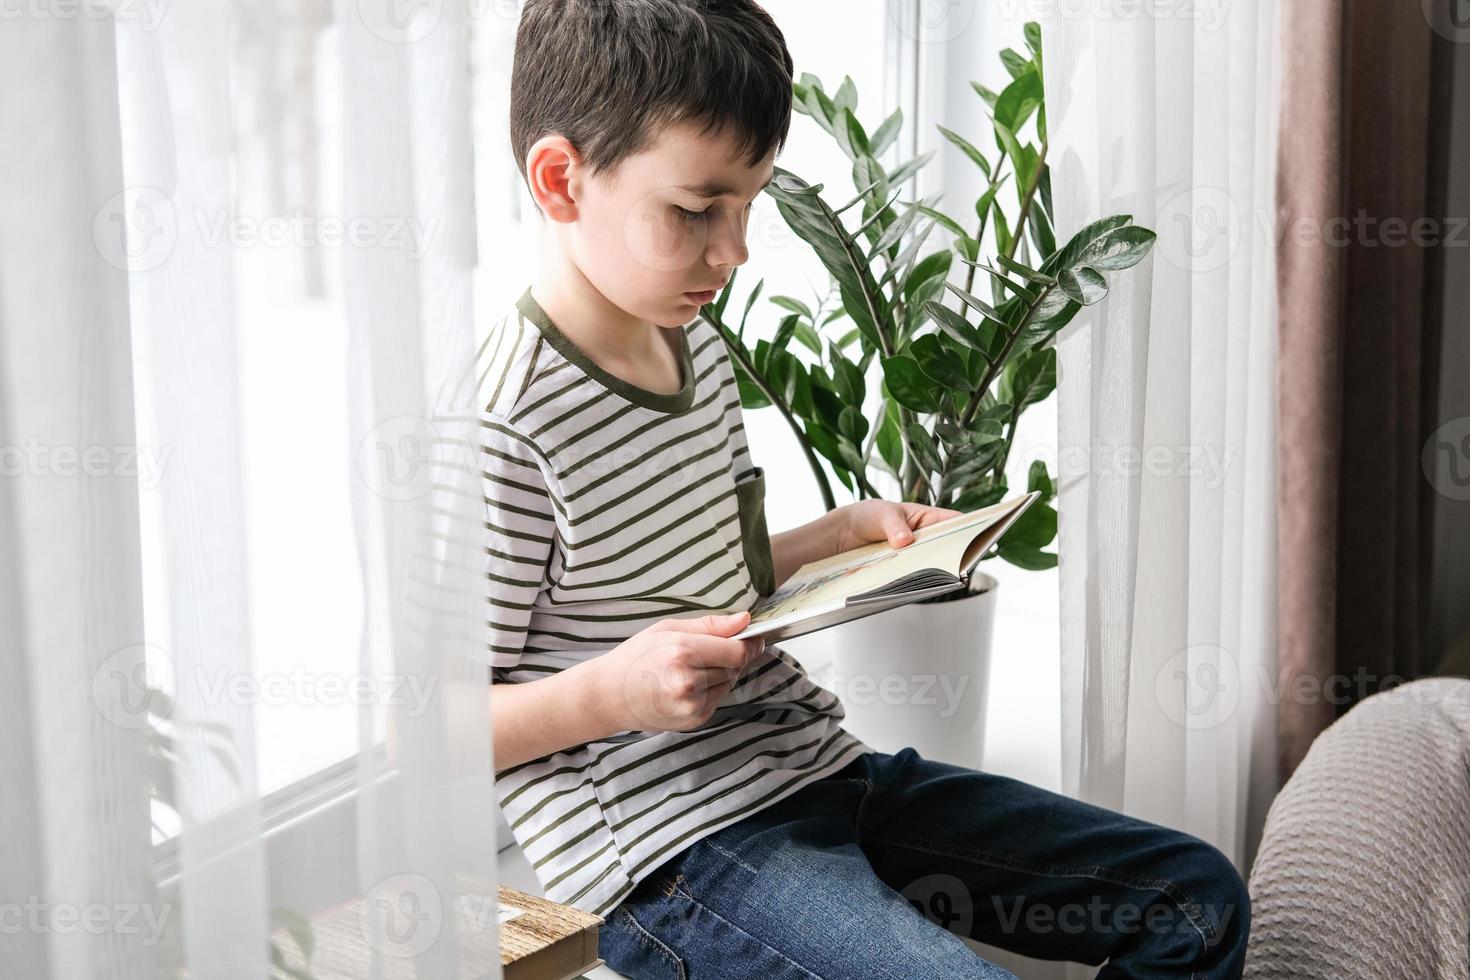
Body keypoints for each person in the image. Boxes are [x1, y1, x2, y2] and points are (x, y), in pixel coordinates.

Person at [483, 1, 1250, 976]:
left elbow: (704, 575)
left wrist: (839, 535)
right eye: (695, 209)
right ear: (561, 179)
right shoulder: (502, 425)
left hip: (818, 769)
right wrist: (615, 690)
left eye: (750, 204)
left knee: (1195, 900)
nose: (735, 250)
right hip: (671, 859)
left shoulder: (691, 346)